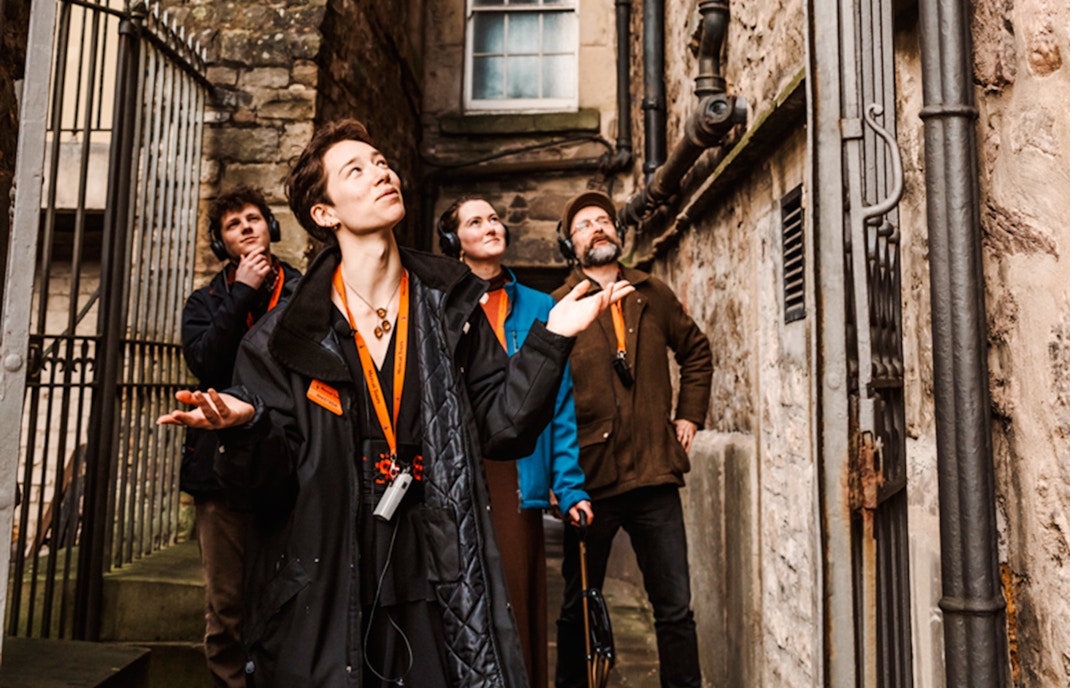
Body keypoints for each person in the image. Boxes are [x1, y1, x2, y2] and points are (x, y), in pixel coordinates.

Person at [159, 119, 632, 688]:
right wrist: (248, 427)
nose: (381, 173)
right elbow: (263, 492)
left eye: (381, 162)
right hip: (330, 588)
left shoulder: (454, 307)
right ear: (325, 213)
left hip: (435, 576)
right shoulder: (281, 338)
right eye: (356, 170)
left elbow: (503, 428)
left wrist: (551, 339)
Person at [551, 190, 713, 688]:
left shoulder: (652, 292)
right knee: (578, 606)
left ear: (618, 233)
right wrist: (557, 476)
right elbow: (543, 394)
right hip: (590, 481)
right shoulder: (558, 306)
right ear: (569, 244)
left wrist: (689, 416)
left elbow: (696, 352)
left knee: (675, 609)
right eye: (584, 224)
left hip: (654, 476)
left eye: (604, 220)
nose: (597, 227)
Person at [436, 195, 593, 688]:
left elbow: (559, 402)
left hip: (519, 472)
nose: (491, 226)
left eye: (495, 218)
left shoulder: (541, 306)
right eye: (476, 221)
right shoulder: (439, 304)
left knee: (520, 608)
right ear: (453, 241)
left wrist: (568, 485)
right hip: (464, 470)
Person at [179, 185, 302, 688]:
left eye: (253, 218)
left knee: (290, 595)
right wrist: (242, 293)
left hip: (289, 463)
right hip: (219, 473)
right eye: (233, 224)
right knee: (226, 605)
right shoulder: (204, 302)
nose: (247, 228)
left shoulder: (304, 290)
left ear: (271, 227)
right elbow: (207, 363)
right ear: (221, 243)